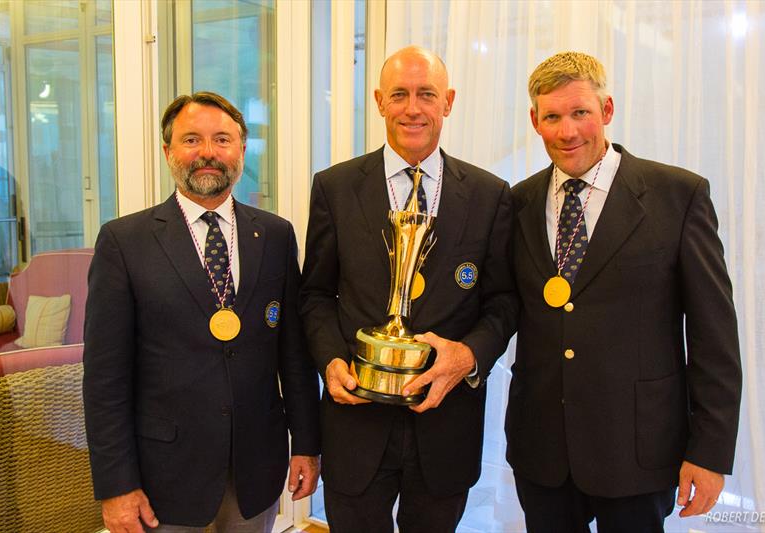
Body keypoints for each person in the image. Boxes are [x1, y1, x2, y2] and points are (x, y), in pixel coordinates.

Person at [507, 51, 743, 531]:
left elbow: (712, 334)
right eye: (552, 116)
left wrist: (710, 451)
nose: (567, 131)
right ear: (535, 121)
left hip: (638, 449)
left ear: (606, 111)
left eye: (580, 113)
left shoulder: (678, 195)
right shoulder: (517, 203)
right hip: (543, 451)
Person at [299, 46, 517, 533]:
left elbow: (503, 303)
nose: (413, 108)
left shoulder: (489, 195)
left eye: (426, 94)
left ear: (449, 101)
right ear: (379, 101)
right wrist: (331, 360)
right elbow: (314, 294)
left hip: (445, 427)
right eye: (399, 94)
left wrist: (467, 355)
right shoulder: (334, 188)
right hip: (355, 422)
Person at [83, 92, 320, 533]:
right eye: (192, 139)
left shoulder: (275, 234)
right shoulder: (124, 242)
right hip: (165, 477)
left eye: (222, 140)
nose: (208, 152)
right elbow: (104, 379)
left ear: (242, 151)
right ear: (168, 150)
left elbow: (295, 354)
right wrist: (116, 486)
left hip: (256, 470)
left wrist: (306, 444)